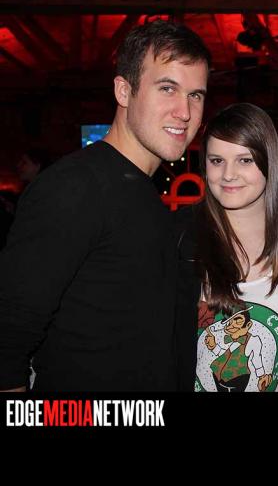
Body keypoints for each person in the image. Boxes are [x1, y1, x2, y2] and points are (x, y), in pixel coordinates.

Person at [0, 19, 211, 391]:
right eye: (167, 88)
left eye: (196, 95)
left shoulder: (142, 191)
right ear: (124, 91)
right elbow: (7, 341)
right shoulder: (74, 187)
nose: (185, 111)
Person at [175, 103, 278, 392]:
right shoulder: (178, 238)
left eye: (244, 160)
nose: (228, 174)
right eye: (217, 160)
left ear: (269, 163)